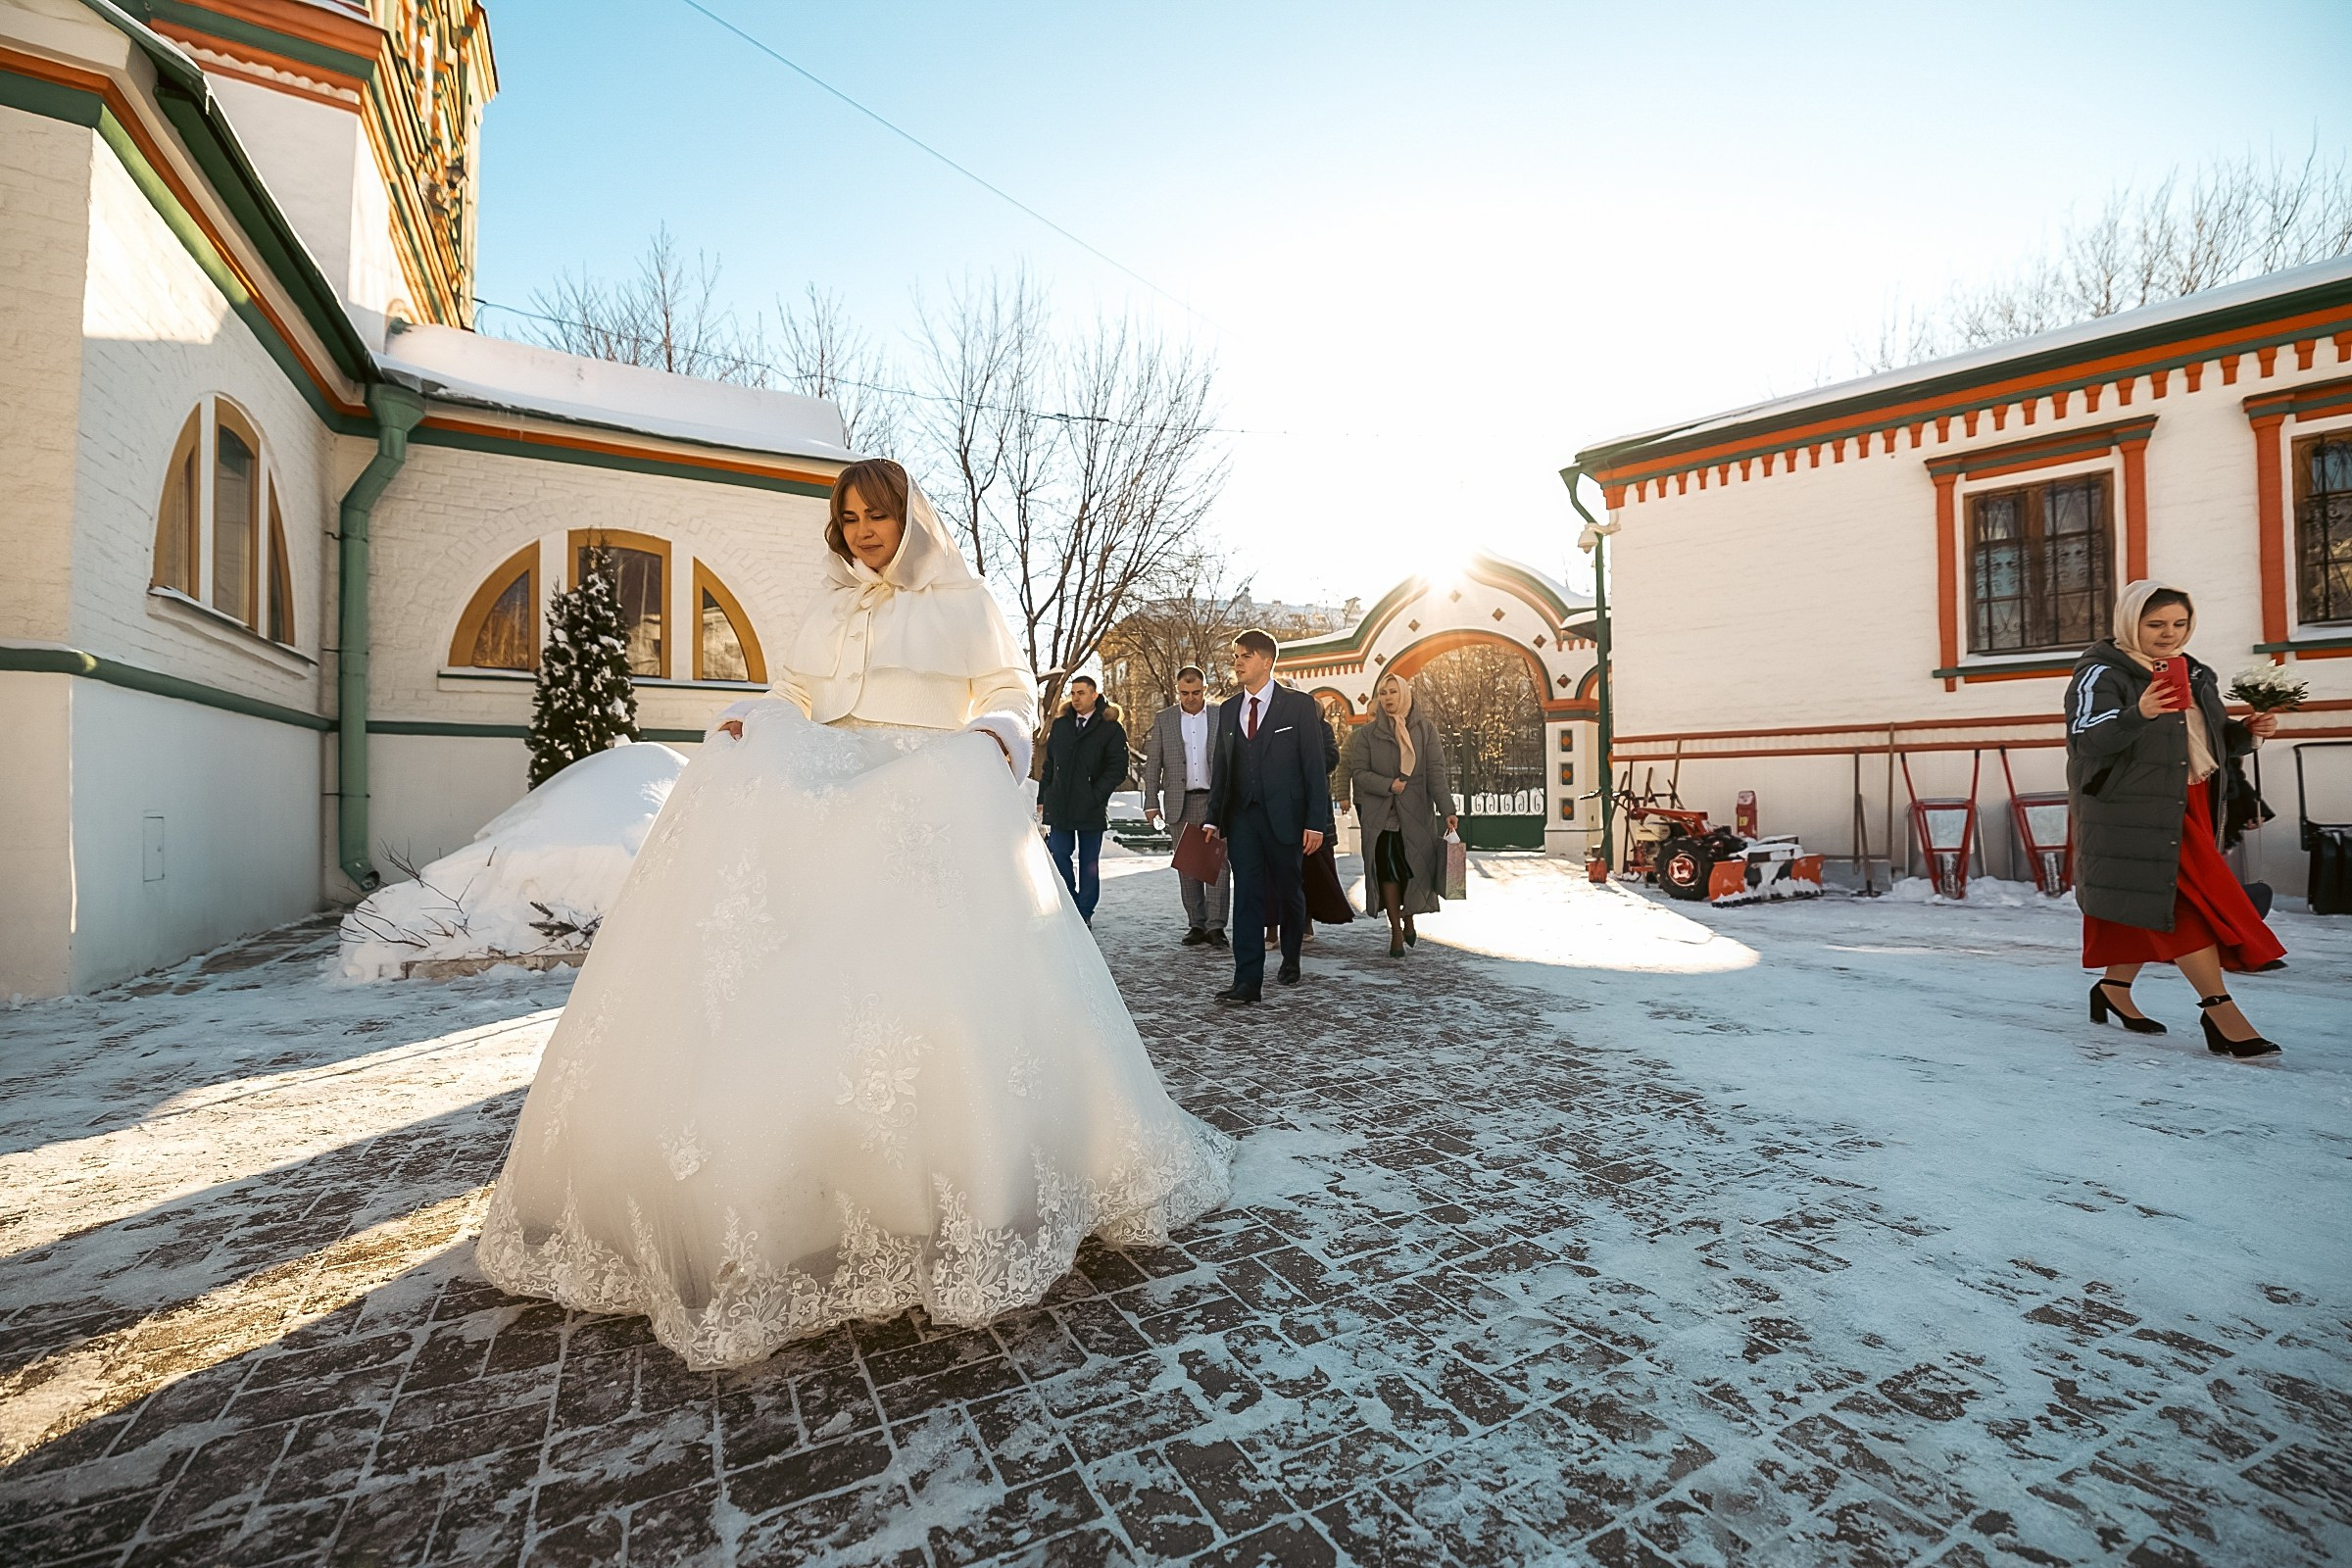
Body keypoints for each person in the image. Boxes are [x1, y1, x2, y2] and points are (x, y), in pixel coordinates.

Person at [474, 459, 1233, 1368]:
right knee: (790, 953)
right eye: (851, 516)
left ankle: (960, 1178)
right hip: (830, 793)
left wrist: (991, 737)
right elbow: (796, 697)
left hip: (920, 794)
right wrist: (756, 722)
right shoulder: (827, 604)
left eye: (880, 514)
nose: (866, 529)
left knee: (924, 987)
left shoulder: (962, 597)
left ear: (909, 517)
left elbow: (1005, 688)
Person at [2068, 578, 2285, 1058]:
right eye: (2156, 624)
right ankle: (2219, 1010)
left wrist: (2247, 733)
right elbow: (2086, 737)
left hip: (2191, 801)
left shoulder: (2195, 672)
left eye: (2179, 623)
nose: (2169, 634)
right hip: (2131, 808)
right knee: (2182, 904)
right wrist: (2137, 713)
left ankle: (2113, 990)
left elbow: (2209, 737)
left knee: (2147, 900)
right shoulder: (2101, 673)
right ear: (2130, 621)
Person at [1202, 630, 1333, 1003]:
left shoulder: (1298, 706)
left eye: (1244, 656)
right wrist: (1214, 816)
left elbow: (1313, 767)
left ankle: (1291, 957)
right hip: (1242, 817)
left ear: (1266, 661)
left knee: (1290, 890)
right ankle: (1247, 981)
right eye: (1235, 657)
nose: (1237, 663)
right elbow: (1222, 767)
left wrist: (1315, 822)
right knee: (1246, 895)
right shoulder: (1228, 709)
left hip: (1287, 817)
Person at [1345, 671, 1457, 957]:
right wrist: (1387, 785)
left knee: (1412, 870)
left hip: (1416, 812)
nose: (1387, 698)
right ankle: (1395, 928)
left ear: (1405, 694)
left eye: (1393, 692)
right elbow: (1359, 773)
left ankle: (1409, 917)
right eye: (1383, 693)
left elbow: (1435, 772)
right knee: (1387, 873)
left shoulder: (1425, 730)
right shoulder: (1369, 734)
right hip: (1380, 815)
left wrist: (1448, 810)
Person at [1140, 665, 1229, 946]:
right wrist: (1151, 802)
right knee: (1188, 865)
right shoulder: (1164, 719)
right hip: (1181, 800)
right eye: (1184, 692)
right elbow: (1153, 763)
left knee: (1218, 863)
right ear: (1178, 690)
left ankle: (1216, 926)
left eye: (1196, 692)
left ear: (1205, 689)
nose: (1190, 698)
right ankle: (1196, 925)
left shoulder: (1220, 714)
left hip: (1216, 800)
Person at [1038, 675, 1129, 926]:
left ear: (1094, 696)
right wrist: (1043, 796)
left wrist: (1096, 794)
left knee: (1089, 861)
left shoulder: (1110, 728)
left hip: (1090, 806)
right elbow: (1049, 765)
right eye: (1073, 693)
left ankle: (1085, 911)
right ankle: (1070, 905)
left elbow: (1117, 768)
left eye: (1081, 693)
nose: (1075, 698)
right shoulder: (1061, 726)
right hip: (1060, 803)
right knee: (1059, 854)